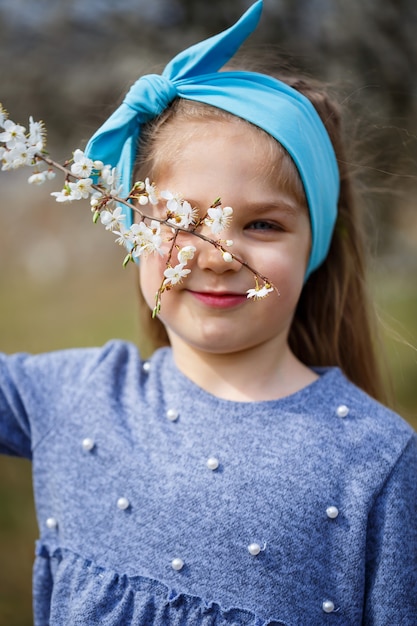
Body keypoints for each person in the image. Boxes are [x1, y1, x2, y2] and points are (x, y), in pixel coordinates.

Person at [1, 1, 416, 624]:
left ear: (314, 248)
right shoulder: (73, 397)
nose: (219, 256)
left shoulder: (376, 459)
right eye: (181, 222)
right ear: (133, 233)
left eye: (263, 224)